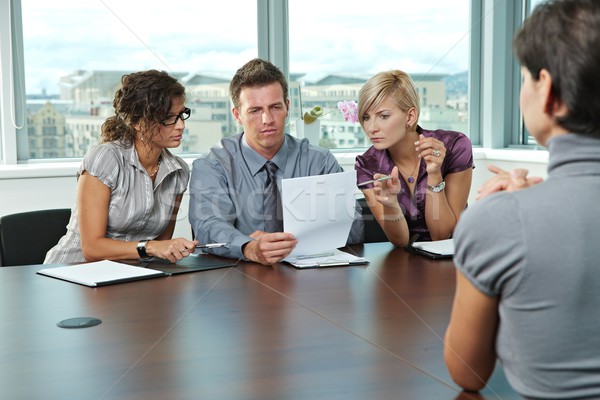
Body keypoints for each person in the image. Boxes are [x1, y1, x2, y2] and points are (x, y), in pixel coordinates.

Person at [444, 0, 600, 397]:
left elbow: (467, 372)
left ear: (546, 90)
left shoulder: (495, 220)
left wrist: (503, 220)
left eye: (525, 77)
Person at [189, 58, 363, 265]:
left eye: (275, 107)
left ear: (287, 107)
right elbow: (208, 226)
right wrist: (248, 247)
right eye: (255, 110)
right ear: (237, 115)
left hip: (311, 278)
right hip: (239, 279)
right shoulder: (213, 165)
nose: (267, 120)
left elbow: (355, 227)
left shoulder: (319, 161)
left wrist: (291, 243)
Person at [45, 70, 197, 264]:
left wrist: (172, 249)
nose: (181, 125)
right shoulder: (105, 158)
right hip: (73, 272)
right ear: (138, 123)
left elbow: (162, 246)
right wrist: (150, 247)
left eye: (182, 115)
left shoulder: (179, 172)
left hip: (130, 276)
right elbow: (92, 248)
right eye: (168, 117)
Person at [355, 70, 473, 247]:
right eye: (366, 117)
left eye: (383, 116)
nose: (371, 128)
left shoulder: (455, 145)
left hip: (458, 257)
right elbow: (400, 242)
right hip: (406, 263)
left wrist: (434, 175)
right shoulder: (367, 165)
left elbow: (441, 235)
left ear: (410, 116)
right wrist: (391, 205)